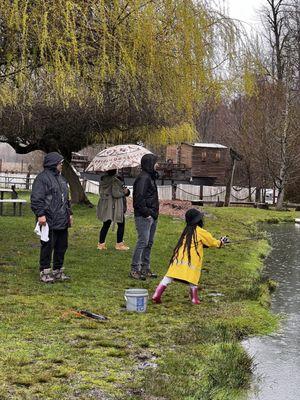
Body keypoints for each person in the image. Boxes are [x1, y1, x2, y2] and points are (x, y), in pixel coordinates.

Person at [152, 208, 229, 304]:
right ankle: (194, 299)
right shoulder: (200, 231)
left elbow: (196, 242)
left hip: (179, 257)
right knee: (193, 278)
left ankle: (157, 294)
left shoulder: (187, 231)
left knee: (169, 276)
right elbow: (211, 242)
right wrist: (220, 243)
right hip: (191, 259)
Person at [31, 152, 73, 283]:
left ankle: (58, 270)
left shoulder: (62, 179)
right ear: (54, 163)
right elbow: (36, 199)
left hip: (62, 219)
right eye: (60, 163)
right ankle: (45, 271)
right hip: (48, 220)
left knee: (62, 246)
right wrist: (40, 214)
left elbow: (66, 199)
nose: (61, 165)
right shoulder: (42, 179)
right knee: (47, 246)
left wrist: (69, 213)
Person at [130, 153, 159, 280]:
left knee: (149, 242)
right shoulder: (143, 178)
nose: (157, 165)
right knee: (143, 241)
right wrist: (146, 213)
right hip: (144, 216)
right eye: (155, 162)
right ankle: (135, 269)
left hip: (152, 214)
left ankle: (145, 268)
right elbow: (139, 198)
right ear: (150, 163)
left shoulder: (150, 177)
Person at [96, 169, 130, 251]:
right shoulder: (116, 180)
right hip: (116, 205)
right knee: (121, 223)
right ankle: (119, 244)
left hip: (107, 205)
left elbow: (101, 192)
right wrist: (124, 192)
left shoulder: (103, 179)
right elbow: (116, 193)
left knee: (106, 224)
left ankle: (101, 244)